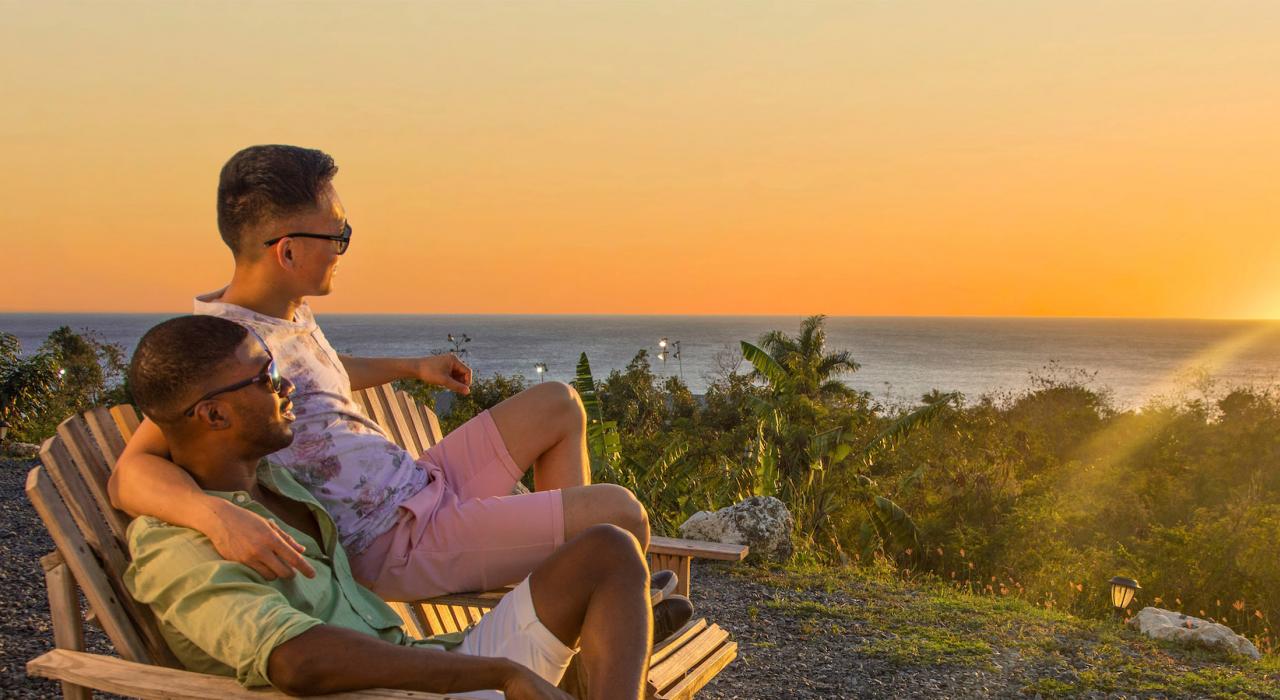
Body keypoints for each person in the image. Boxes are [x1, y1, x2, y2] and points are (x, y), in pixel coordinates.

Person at [108, 145, 681, 612]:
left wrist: (410, 367)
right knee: (621, 513)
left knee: (558, 403)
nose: (343, 249)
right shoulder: (223, 352)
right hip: (392, 542)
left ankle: (577, 590)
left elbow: (321, 383)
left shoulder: (288, 314)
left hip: (419, 486)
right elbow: (131, 471)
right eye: (337, 236)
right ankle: (586, 599)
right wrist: (216, 516)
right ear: (286, 251)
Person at [123, 314, 658, 699]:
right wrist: (499, 674)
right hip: (405, 691)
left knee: (609, 552)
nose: (286, 387)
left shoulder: (279, 484)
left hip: (440, 664)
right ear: (214, 416)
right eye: (264, 379)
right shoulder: (179, 549)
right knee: (613, 549)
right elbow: (295, 660)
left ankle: (595, 666)